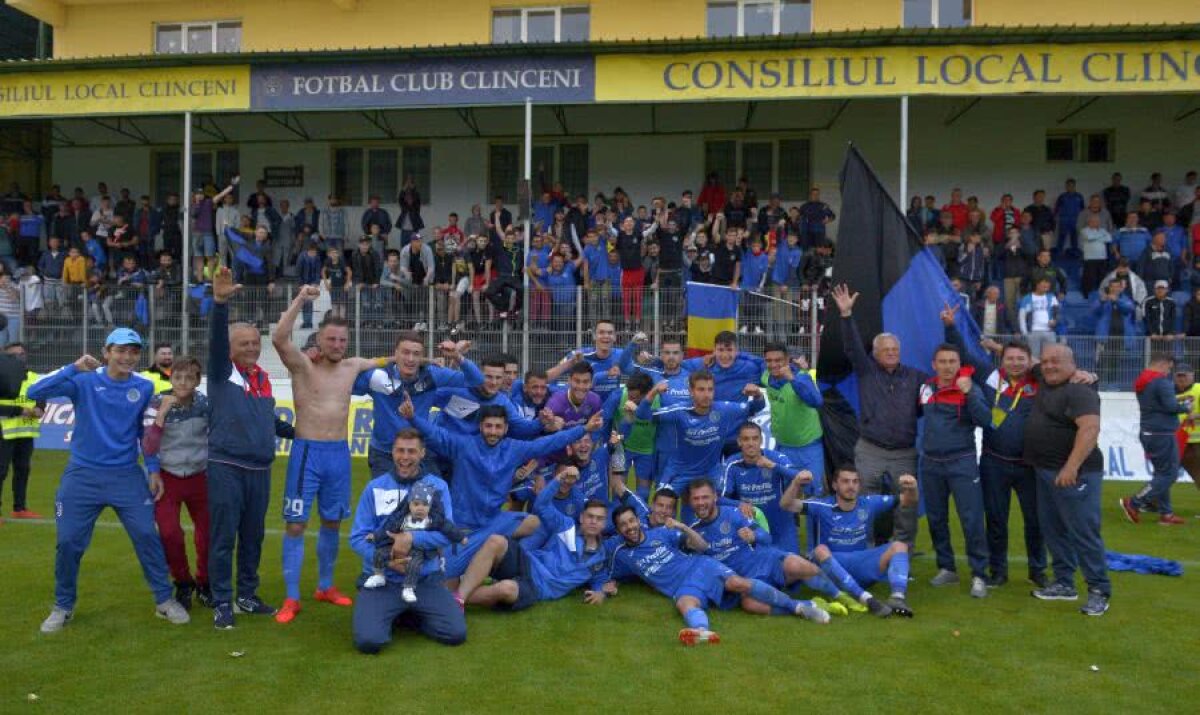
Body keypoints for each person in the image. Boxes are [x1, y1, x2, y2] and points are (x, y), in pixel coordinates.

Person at [28, 328, 189, 633]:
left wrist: (153, 470)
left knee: (146, 536)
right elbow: (35, 393)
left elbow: (146, 433)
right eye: (121, 351)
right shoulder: (83, 379)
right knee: (68, 542)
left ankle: (164, 601)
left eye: (134, 352)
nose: (127, 357)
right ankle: (63, 606)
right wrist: (73, 366)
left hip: (126, 476)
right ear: (106, 352)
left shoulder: (142, 387)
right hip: (82, 476)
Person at [271, 289, 382, 624]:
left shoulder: (352, 366)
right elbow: (278, 337)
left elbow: (389, 360)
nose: (337, 344)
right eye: (331, 339)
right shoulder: (303, 365)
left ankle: (325, 586)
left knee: (333, 521)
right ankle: (292, 598)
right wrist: (301, 300)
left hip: (339, 454)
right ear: (319, 339)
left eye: (342, 339)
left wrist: (424, 360)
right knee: (296, 524)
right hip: (308, 452)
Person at [406, 398, 602, 576]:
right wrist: (413, 417)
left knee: (535, 523)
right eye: (488, 426)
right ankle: (479, 558)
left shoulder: (514, 448)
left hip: (494, 521)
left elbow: (548, 443)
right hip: (463, 527)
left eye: (498, 427)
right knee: (443, 575)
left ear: (506, 428)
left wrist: (584, 429)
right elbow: (436, 434)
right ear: (480, 426)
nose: (493, 431)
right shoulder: (463, 445)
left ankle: (506, 565)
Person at [599, 505, 830, 647]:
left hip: (700, 566)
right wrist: (604, 588)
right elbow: (603, 570)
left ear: (638, 520)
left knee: (737, 583)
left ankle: (798, 606)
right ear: (618, 530)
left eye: (631, 521)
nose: (629, 527)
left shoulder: (661, 534)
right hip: (680, 586)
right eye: (623, 525)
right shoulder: (619, 552)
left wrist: (682, 527)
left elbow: (700, 545)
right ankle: (702, 632)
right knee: (685, 603)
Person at [205, 267, 295, 629]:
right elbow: (214, 338)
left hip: (260, 470)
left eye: (256, 343)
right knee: (224, 536)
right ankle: (222, 600)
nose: (252, 348)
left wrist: (299, 433)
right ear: (229, 349)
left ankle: (246, 594)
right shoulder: (220, 373)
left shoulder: (262, 379)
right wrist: (221, 304)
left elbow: (268, 422)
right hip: (226, 466)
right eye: (244, 344)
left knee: (253, 538)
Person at [943, 317, 1048, 588]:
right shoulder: (990, 376)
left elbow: (1057, 367)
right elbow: (963, 353)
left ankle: (1038, 570)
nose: (1015, 363)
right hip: (994, 462)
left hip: (1029, 465)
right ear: (1002, 361)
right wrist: (951, 326)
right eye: (1010, 358)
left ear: (1029, 360)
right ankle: (998, 571)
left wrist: (1089, 375)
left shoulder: (1039, 380)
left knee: (1035, 521)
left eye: (1020, 359)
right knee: (997, 521)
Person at [686, 477, 877, 617]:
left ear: (715, 497)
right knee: (750, 605)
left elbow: (766, 538)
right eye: (696, 499)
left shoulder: (734, 514)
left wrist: (754, 535)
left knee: (800, 565)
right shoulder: (693, 533)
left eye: (705, 497)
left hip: (764, 560)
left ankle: (841, 596)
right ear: (690, 502)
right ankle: (810, 605)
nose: (701, 503)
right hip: (745, 578)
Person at [349, 429, 465, 653]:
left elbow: (446, 532)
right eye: (400, 450)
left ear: (422, 453)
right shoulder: (374, 487)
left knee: (455, 633)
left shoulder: (437, 487)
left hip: (425, 578)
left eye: (411, 451)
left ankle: (407, 613)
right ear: (392, 452)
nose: (405, 457)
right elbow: (357, 538)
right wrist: (386, 560)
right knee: (369, 642)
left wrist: (411, 537)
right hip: (385, 580)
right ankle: (386, 606)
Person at [830, 283, 927, 544]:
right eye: (886, 350)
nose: (892, 353)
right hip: (870, 449)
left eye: (895, 350)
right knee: (863, 503)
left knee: (906, 505)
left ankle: (901, 556)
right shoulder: (866, 370)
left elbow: (932, 398)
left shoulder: (916, 377)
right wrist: (846, 316)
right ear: (875, 353)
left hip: (904, 452)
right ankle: (867, 550)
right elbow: (851, 347)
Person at [1023, 344, 1110, 616]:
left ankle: (1098, 590)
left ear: (1072, 364)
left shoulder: (1080, 389)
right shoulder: (1044, 376)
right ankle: (1063, 583)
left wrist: (1071, 467)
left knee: (1083, 532)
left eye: (1056, 361)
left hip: (1075, 474)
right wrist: (991, 344)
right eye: (1046, 361)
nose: (1048, 366)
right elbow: (1025, 358)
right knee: (1053, 530)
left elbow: (1090, 428)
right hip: (1044, 472)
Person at [452, 478, 609, 611]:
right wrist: (558, 479)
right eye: (590, 516)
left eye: (599, 519)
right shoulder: (566, 526)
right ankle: (458, 598)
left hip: (537, 589)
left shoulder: (600, 559)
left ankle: (448, 596)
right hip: (527, 563)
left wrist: (600, 592)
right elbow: (541, 505)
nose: (594, 522)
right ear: (581, 517)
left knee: (506, 589)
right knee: (495, 541)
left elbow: (600, 579)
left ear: (604, 523)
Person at [782, 465, 917, 617]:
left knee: (899, 546)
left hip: (860, 563)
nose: (851, 486)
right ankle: (865, 598)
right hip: (832, 568)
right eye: (845, 481)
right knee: (820, 550)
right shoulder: (822, 506)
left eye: (855, 482)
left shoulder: (868, 503)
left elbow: (908, 500)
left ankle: (897, 598)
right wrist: (796, 483)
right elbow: (786, 504)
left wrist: (912, 487)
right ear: (835, 485)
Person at [637, 371, 764, 520]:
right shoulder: (679, 411)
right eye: (701, 389)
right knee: (661, 507)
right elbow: (642, 414)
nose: (707, 394)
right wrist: (653, 392)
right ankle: (663, 539)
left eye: (710, 389)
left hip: (710, 471)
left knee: (720, 504)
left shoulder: (724, 409)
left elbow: (756, 406)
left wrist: (757, 394)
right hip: (679, 471)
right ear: (691, 391)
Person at [919, 342, 991, 598]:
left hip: (962, 461)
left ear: (959, 365)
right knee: (936, 518)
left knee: (971, 519)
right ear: (934, 365)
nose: (947, 366)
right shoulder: (926, 388)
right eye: (943, 362)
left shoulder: (971, 388)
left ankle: (979, 574)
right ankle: (946, 567)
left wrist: (970, 393)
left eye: (952, 362)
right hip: (930, 463)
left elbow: (986, 420)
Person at [353, 333, 481, 477]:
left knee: (434, 496)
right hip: (384, 454)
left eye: (416, 354)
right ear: (395, 354)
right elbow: (344, 380)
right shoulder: (376, 377)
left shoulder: (432, 375)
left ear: (422, 357)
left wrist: (456, 356)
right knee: (388, 499)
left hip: (419, 452)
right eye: (405, 352)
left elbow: (476, 380)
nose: (410, 359)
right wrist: (375, 362)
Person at [141, 355, 211, 610]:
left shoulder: (205, 404)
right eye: (178, 377)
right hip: (167, 478)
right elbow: (148, 445)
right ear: (171, 378)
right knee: (170, 533)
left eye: (189, 377)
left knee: (207, 535)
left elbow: (216, 439)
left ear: (197, 381)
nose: (183, 382)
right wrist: (162, 414)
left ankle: (205, 583)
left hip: (199, 477)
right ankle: (183, 582)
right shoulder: (157, 402)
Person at [363, 482, 466, 602]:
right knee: (380, 553)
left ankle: (408, 587)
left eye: (425, 505)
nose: (420, 508)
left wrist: (461, 537)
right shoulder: (402, 519)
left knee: (415, 564)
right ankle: (379, 575)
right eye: (416, 504)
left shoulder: (433, 520)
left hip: (418, 550)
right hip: (396, 546)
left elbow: (449, 528)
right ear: (409, 505)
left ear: (430, 506)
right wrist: (375, 536)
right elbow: (388, 528)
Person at [1119, 354, 1188, 526]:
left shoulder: (1143, 380)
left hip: (1149, 431)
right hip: (1162, 433)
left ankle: (1166, 514)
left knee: (1161, 473)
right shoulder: (1162, 382)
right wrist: (1185, 407)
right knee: (1169, 474)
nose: (1169, 371)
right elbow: (1171, 407)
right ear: (1163, 364)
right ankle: (1134, 502)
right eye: (1169, 368)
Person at [0, 342, 45, 519]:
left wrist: (40, 410)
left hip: (26, 433)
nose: (19, 357)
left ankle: (20, 508)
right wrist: (20, 411)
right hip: (4, 431)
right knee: (1, 472)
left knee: (23, 470)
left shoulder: (34, 378)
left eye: (22, 354)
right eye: (14, 355)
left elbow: (41, 401)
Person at [547, 320, 626, 400]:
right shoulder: (579, 355)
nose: (606, 336)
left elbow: (636, 374)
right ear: (594, 336)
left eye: (610, 333)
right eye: (601, 332)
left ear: (615, 337)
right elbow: (546, 378)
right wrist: (570, 363)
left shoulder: (622, 355)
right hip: (584, 408)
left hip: (611, 408)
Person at [1018, 277, 1059, 359]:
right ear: (1037, 285)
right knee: (1033, 358)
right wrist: (1025, 333)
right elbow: (1021, 317)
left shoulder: (1052, 297)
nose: (1047, 285)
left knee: (1050, 357)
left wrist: (1054, 321)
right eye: (1044, 283)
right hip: (1033, 332)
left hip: (1049, 332)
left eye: (1048, 284)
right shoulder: (1027, 298)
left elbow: (1056, 313)